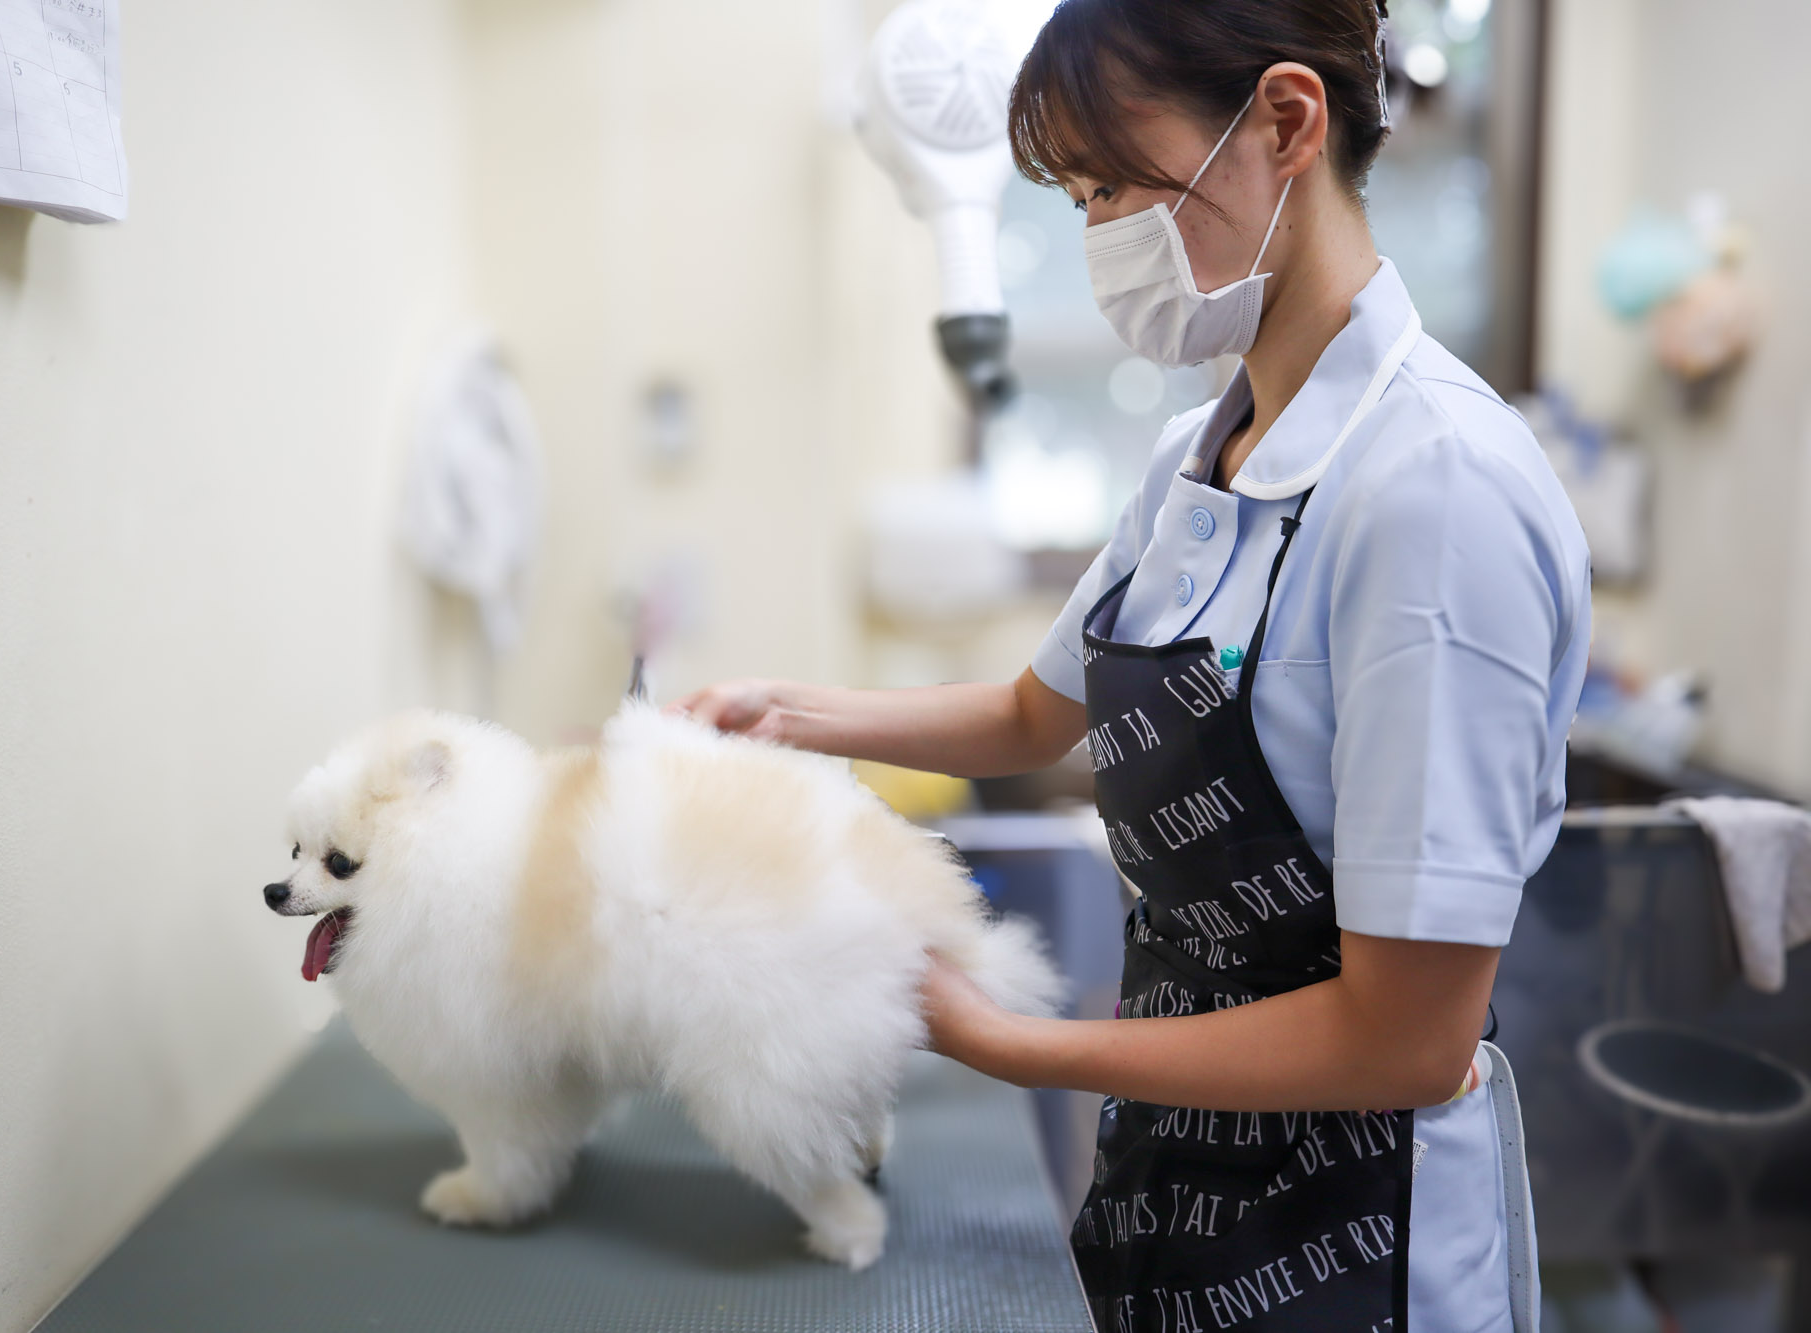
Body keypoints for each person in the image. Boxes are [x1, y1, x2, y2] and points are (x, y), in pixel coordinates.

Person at [675, 1, 1589, 1327]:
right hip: (1175, 1164)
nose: (1101, 236)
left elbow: (1407, 1034)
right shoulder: (1196, 457)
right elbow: (1030, 712)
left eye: (1115, 183)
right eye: (1080, 197)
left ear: (1285, 121)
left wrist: (1008, 1040)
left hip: (1359, 1231)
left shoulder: (1434, 493)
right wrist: (784, 716)